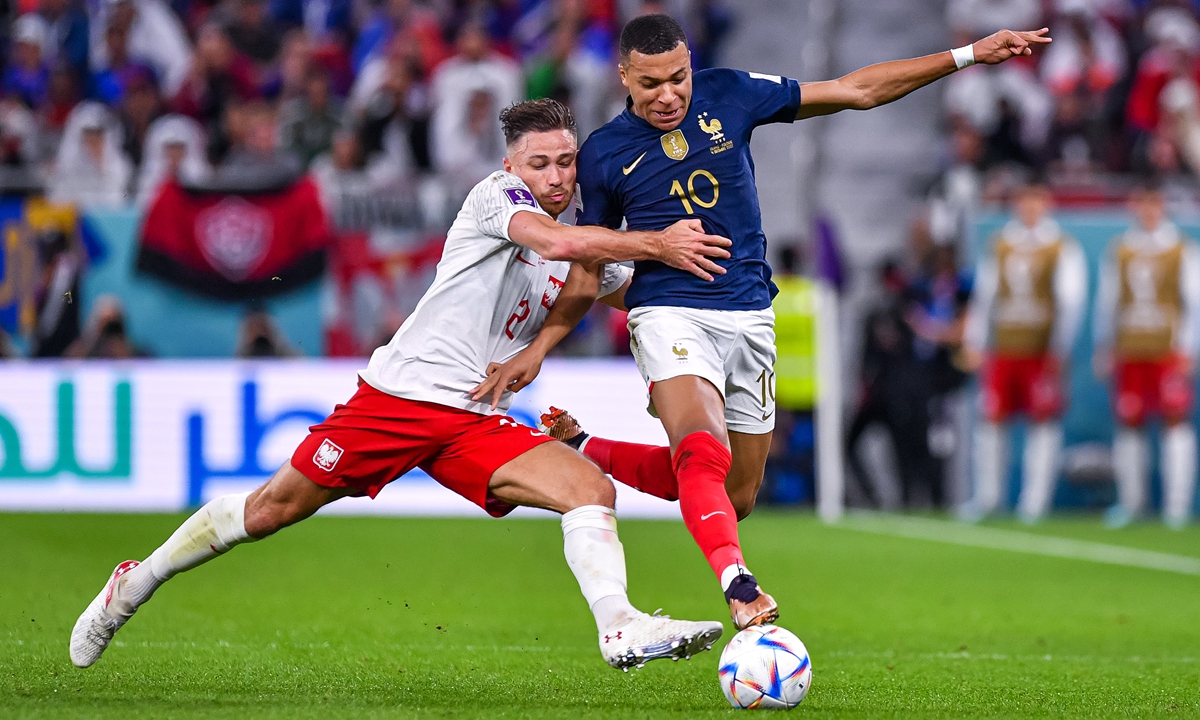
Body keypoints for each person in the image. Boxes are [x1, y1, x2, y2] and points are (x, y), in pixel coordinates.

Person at [69, 98, 732, 672]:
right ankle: (135, 583)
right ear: (513, 167)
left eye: (565, 162)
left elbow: (626, 288)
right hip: (399, 401)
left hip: (474, 418)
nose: (555, 177)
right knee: (270, 510)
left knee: (590, 488)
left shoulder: (590, 239)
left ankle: (619, 625)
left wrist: (727, 300)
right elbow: (559, 248)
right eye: (540, 163)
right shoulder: (498, 199)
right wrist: (655, 241)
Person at [475, 14, 1051, 630]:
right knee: (700, 448)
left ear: (691, 66)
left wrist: (966, 54)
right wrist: (541, 346)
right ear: (624, 77)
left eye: (678, 78)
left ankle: (588, 447)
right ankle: (739, 585)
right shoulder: (604, 155)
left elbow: (856, 91)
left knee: (736, 494)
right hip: (668, 311)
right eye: (650, 85)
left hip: (749, 313)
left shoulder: (729, 94)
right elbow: (590, 265)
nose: (668, 96)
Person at [961, 183, 1087, 523]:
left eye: (1036, 200)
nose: (1030, 207)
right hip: (1004, 347)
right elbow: (985, 296)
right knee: (991, 420)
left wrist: (1060, 347)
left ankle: (1035, 499)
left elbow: (1071, 301)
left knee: (1041, 420)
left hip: (1040, 350)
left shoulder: (1060, 246)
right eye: (1024, 200)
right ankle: (988, 496)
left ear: (1046, 203)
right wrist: (975, 341)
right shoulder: (1001, 244)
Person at [1093, 185, 1200, 529]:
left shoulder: (1181, 249)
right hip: (1131, 349)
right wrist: (1105, 345)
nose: (1148, 210)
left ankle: (1177, 505)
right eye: (1142, 202)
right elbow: (1109, 303)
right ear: (1133, 204)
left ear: (1162, 205)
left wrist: (1190, 348)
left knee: (1174, 421)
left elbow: (1194, 303)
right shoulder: (1121, 249)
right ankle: (1132, 502)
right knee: (1129, 423)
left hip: (1167, 351)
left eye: (1154, 203)